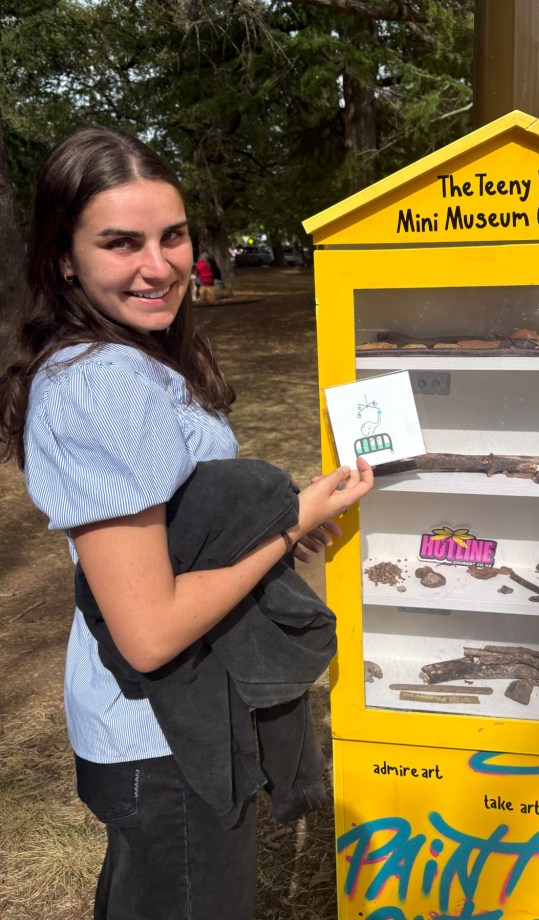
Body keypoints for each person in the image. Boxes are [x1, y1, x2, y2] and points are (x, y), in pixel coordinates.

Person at [0, 127, 373, 920]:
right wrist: (285, 521)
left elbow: (176, 531)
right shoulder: (106, 382)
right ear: (63, 256)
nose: (159, 265)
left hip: (154, 727)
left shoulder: (125, 357)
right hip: (163, 737)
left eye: (172, 236)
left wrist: (276, 526)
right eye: (120, 242)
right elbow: (150, 630)